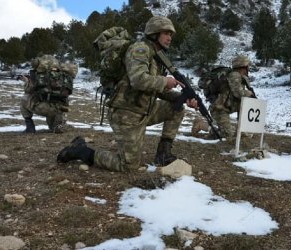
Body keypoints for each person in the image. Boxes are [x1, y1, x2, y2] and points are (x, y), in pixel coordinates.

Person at [57, 16, 198, 171]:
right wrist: (165, 81)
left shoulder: (156, 57)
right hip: (126, 113)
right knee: (128, 165)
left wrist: (183, 98)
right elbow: (138, 80)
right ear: (154, 33)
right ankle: (81, 151)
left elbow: (155, 87)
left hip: (143, 110)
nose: (170, 37)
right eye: (166, 33)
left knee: (176, 108)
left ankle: (163, 153)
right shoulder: (140, 49)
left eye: (171, 34)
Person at [20, 55, 77, 134]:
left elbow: (28, 90)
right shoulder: (64, 76)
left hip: (45, 108)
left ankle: (30, 128)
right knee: (54, 129)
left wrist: (27, 81)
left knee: (24, 99)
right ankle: (60, 124)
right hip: (60, 109)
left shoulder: (39, 76)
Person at [209, 55, 255, 141]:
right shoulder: (234, 75)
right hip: (219, 109)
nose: (249, 68)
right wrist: (249, 93)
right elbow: (238, 93)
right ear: (243, 66)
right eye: (247, 66)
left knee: (245, 104)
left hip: (228, 107)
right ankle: (210, 129)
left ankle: (241, 129)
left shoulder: (242, 77)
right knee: (228, 136)